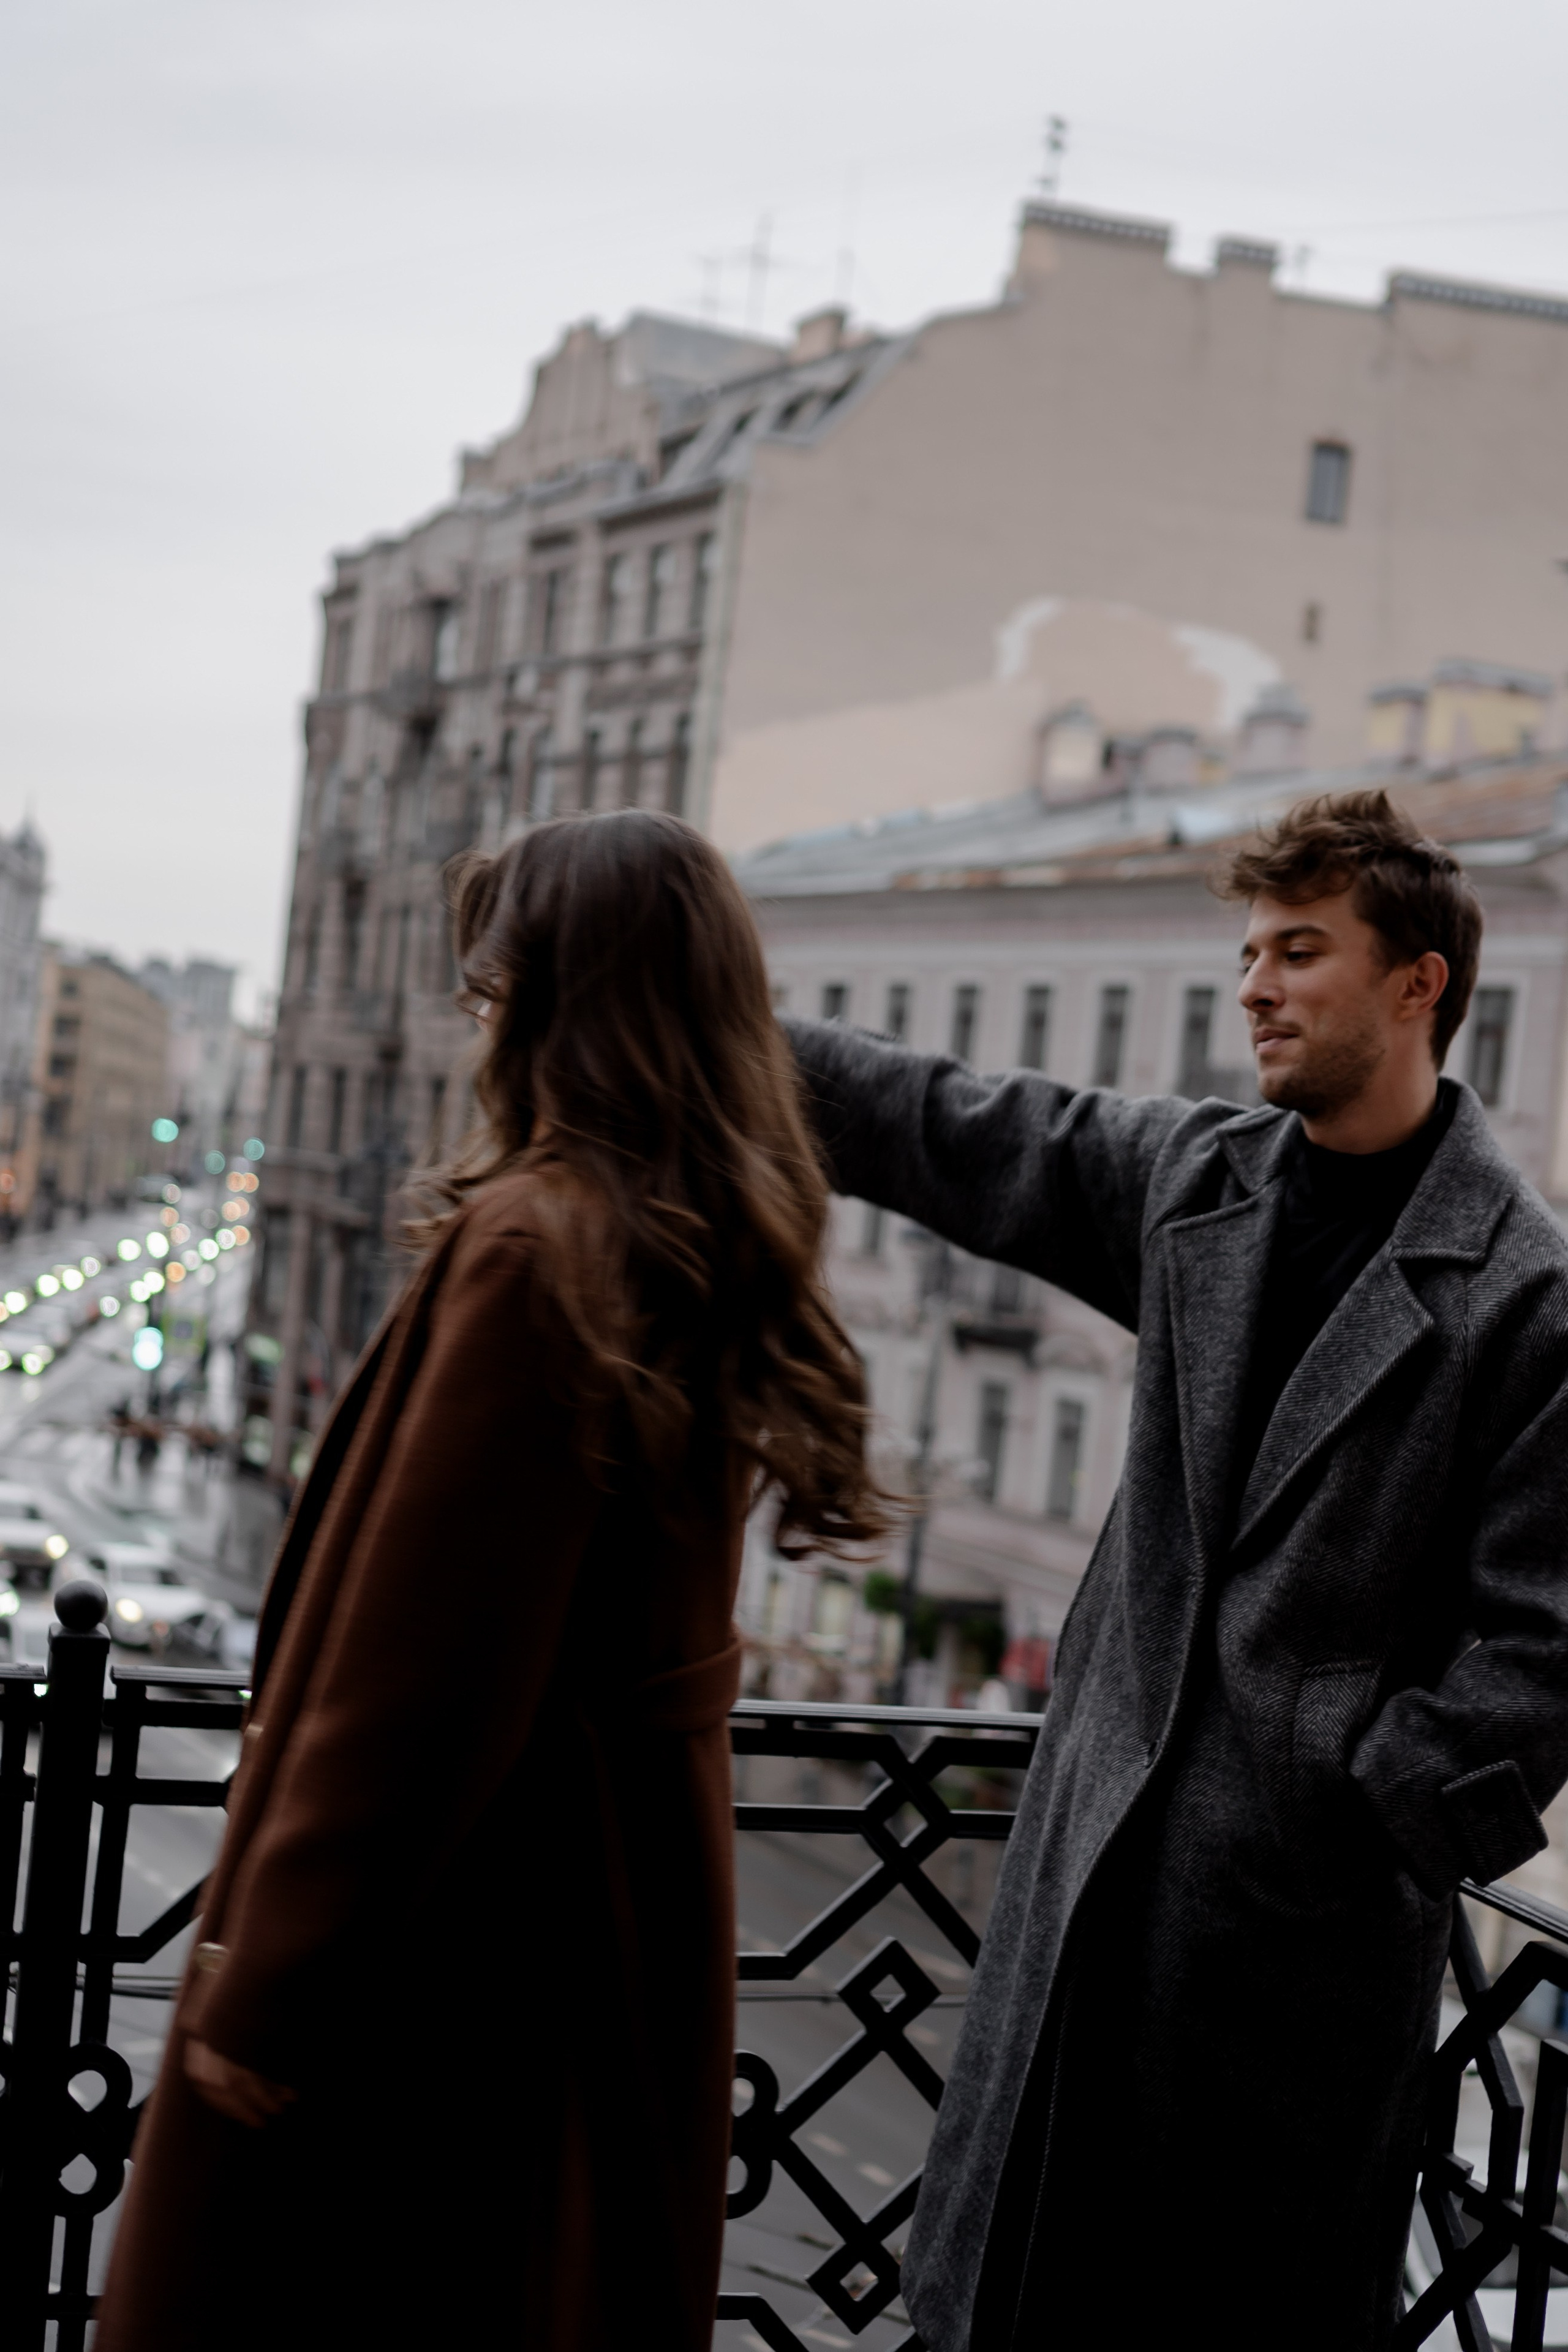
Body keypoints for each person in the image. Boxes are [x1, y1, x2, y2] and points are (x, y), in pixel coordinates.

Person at [784, 790, 1568, 2350]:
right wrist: (694, 1016)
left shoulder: (1522, 1291)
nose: (1254, 988)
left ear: (1418, 984)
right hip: (1084, 1889)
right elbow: (950, 1121)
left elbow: (1541, 1652)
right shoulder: (1198, 1182)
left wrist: (1350, 1809)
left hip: (1289, 1960)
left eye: (1299, 950)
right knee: (1009, 2293)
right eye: (1246, 953)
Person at [96, 810, 886, 2352]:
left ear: (557, 998)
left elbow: (415, 1679)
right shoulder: (700, 1236)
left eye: (493, 987)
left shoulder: (541, 1246)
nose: (479, 1025)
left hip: (453, 1961)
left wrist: (273, 1989)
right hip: (611, 1926)